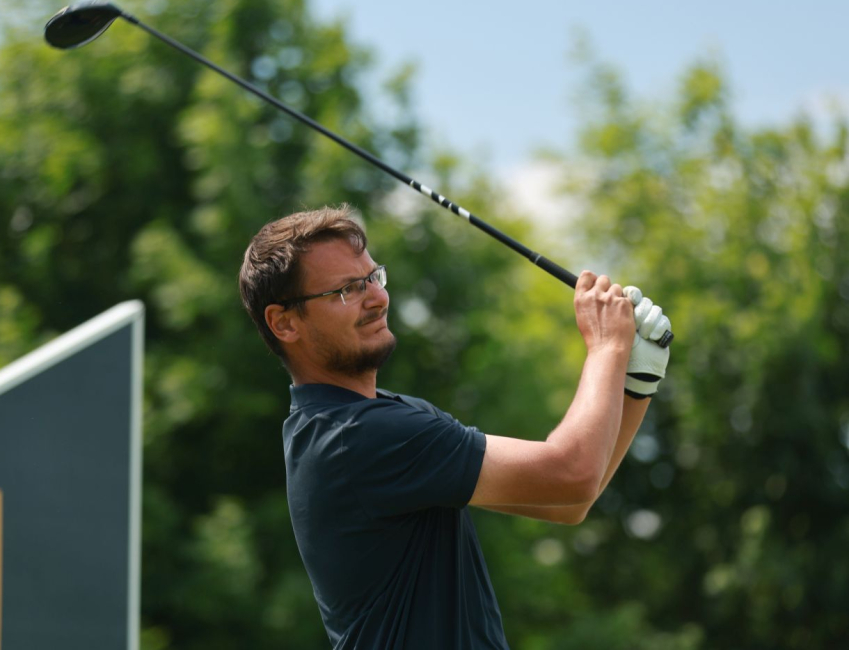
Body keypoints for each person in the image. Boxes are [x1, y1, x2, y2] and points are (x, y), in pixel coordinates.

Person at [238, 205, 671, 649]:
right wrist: (605, 347)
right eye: (347, 290)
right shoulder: (360, 435)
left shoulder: (378, 418)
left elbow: (565, 501)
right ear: (284, 322)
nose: (377, 298)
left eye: (373, 277)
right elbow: (572, 475)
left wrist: (634, 382)